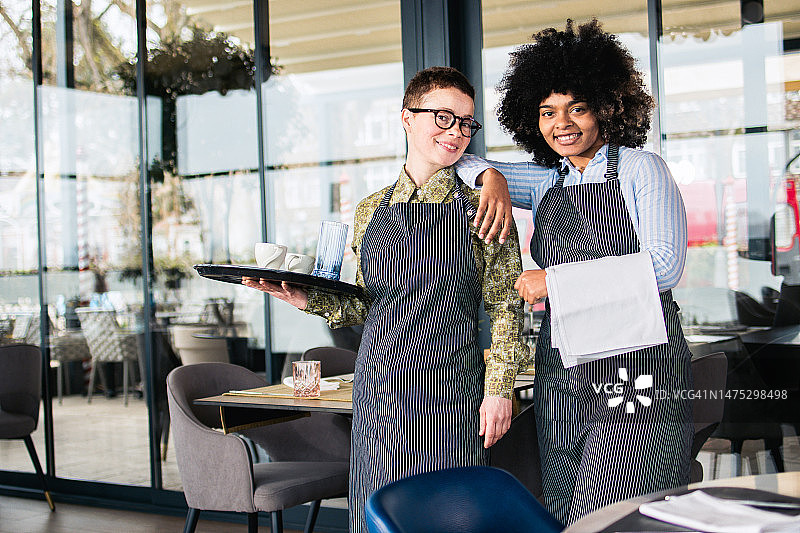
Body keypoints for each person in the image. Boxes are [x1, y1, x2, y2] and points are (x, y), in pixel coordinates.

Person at [243, 66, 530, 532]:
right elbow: (365, 304)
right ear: (406, 118)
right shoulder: (369, 209)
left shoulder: (484, 205)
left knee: (445, 512)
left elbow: (506, 306)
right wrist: (305, 299)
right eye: (443, 117)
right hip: (376, 388)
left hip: (448, 390)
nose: (456, 132)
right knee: (376, 512)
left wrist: (498, 390)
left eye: (466, 122)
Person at [455, 19, 693, 525]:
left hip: (636, 364)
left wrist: (554, 282)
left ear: (607, 107)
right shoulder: (547, 180)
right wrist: (492, 176)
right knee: (562, 504)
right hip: (563, 367)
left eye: (577, 108)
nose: (561, 123)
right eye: (547, 112)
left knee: (615, 509)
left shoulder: (641, 168)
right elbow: (460, 163)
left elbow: (665, 266)